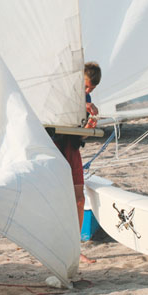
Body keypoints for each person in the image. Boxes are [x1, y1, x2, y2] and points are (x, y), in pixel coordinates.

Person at [52, 62, 101, 263]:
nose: (88, 91)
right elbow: (56, 116)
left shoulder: (87, 99)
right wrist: (81, 105)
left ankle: (75, 247)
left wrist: (88, 128)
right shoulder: (62, 92)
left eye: (91, 89)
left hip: (71, 148)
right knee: (55, 199)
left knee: (79, 199)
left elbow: (79, 138)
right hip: (54, 147)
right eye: (86, 86)